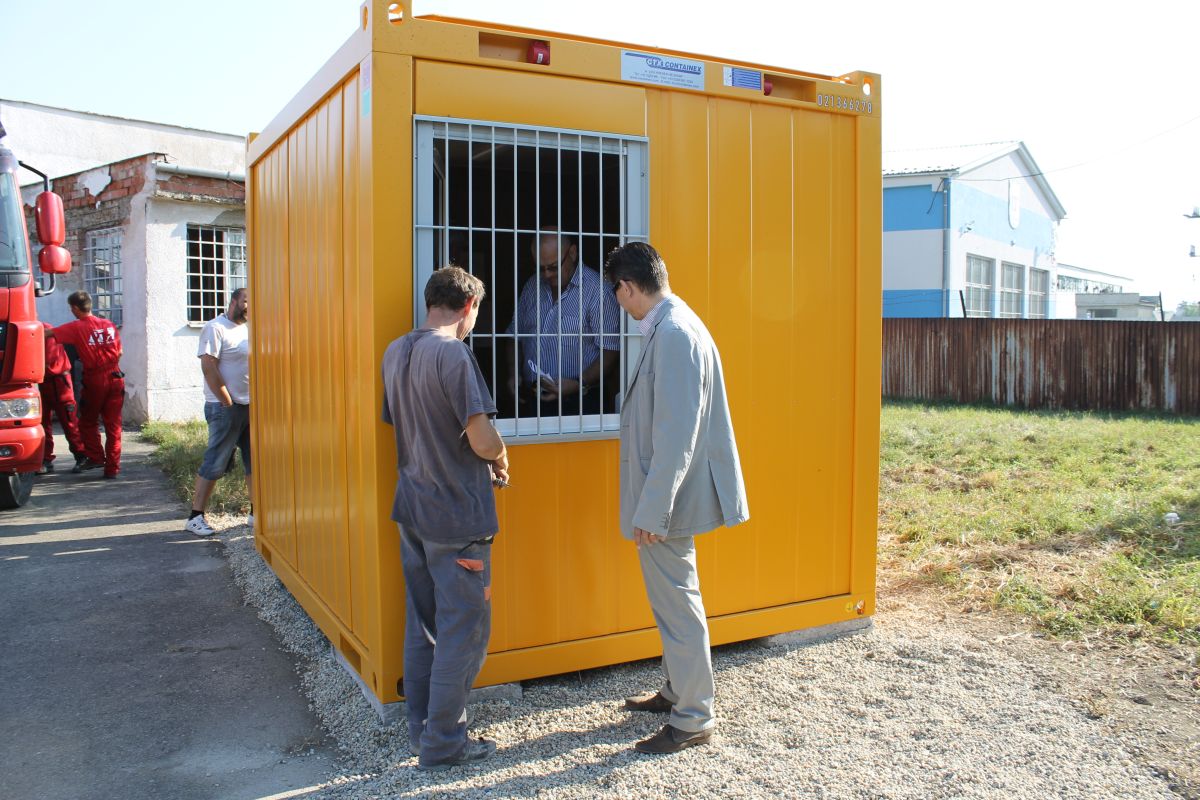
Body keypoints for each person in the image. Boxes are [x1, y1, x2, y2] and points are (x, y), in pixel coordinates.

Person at [604, 242, 750, 755]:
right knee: (672, 601)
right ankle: (677, 692)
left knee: (679, 605)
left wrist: (653, 509)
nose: (618, 301)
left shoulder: (674, 334)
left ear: (627, 287)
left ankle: (693, 717)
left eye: (616, 292)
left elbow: (677, 435)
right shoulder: (674, 326)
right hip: (668, 497)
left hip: (667, 502)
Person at [381, 266, 508, 770]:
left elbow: (405, 422)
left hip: (412, 507)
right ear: (469, 306)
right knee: (464, 629)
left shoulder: (396, 351)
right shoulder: (453, 353)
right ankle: (444, 743)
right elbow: (481, 438)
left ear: (430, 300)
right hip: (456, 516)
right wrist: (500, 455)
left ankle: (423, 730)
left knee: (424, 623)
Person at [505, 229, 621, 417]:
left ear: (572, 253)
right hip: (532, 398)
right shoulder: (532, 285)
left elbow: (610, 351)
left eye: (553, 267)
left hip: (580, 402)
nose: (546, 275)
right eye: (540, 268)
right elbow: (513, 334)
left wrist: (579, 383)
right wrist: (513, 373)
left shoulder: (598, 292)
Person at [184, 288, 251, 537]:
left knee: (253, 462)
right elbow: (208, 366)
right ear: (234, 301)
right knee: (216, 461)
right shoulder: (215, 328)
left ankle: (255, 513)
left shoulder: (248, 329)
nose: (250, 307)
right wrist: (226, 400)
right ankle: (195, 517)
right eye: (246, 301)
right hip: (224, 408)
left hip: (249, 406)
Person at [48, 291, 125, 479]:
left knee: (87, 421)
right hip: (116, 376)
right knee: (114, 424)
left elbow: (46, 334)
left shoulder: (76, 327)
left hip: (96, 379)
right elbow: (120, 352)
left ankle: (96, 457)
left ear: (75, 308)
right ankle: (112, 469)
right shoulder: (108, 324)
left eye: (71, 308)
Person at [36, 321, 85, 474]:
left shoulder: (45, 330)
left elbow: (47, 361)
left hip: (58, 382)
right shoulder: (37, 330)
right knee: (42, 423)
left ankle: (81, 455)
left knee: (69, 421)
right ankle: (45, 459)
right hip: (43, 382)